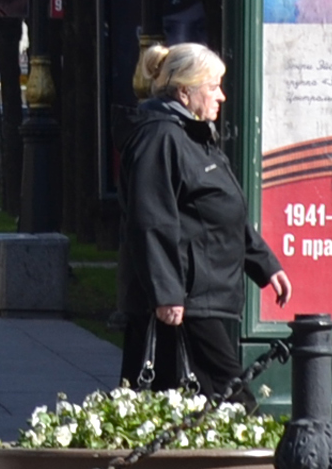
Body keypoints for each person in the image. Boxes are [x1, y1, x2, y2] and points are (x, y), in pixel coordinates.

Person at [117, 41, 288, 396]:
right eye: (213, 87)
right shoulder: (161, 138)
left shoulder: (192, 138)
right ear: (183, 91)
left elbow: (223, 212)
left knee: (179, 406)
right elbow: (151, 222)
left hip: (201, 298)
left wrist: (265, 264)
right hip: (187, 302)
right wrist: (167, 294)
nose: (221, 96)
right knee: (234, 402)